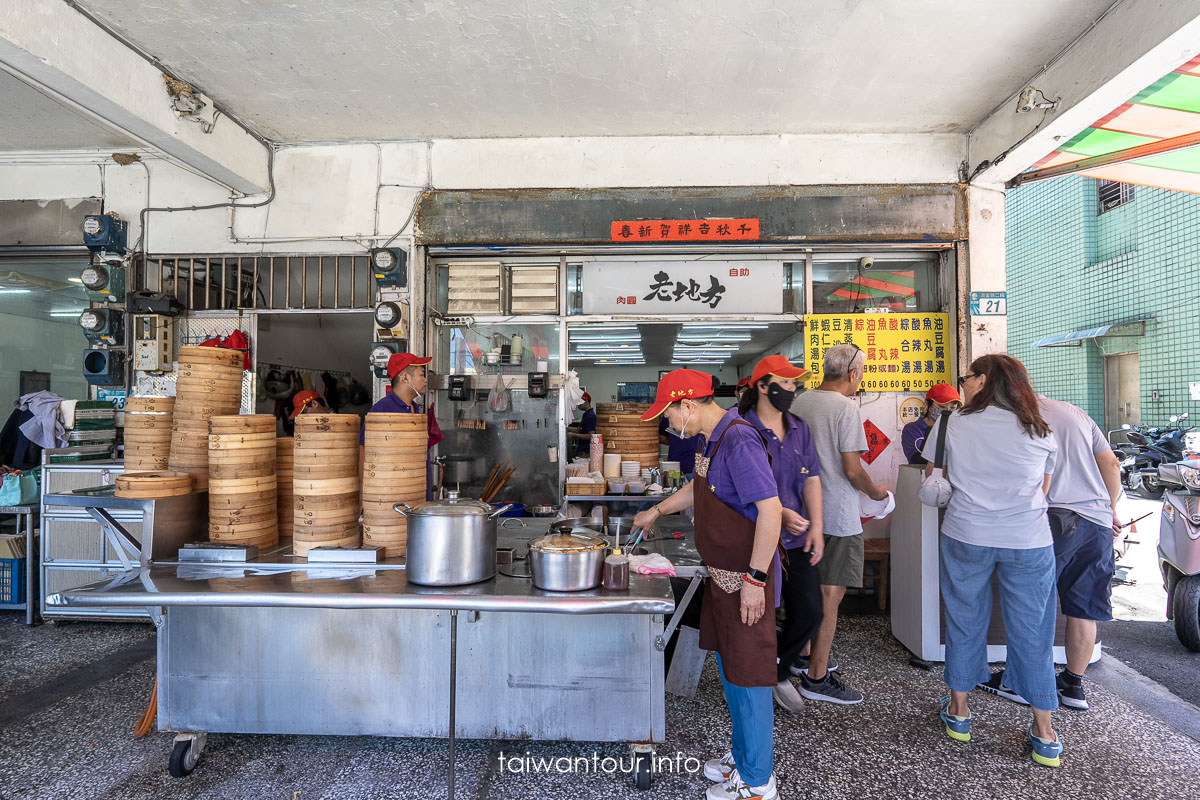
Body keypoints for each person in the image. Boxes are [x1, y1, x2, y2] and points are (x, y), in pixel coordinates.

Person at [632, 369, 783, 800]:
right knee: (732, 672)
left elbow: (769, 512)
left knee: (749, 677)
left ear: (689, 406)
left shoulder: (739, 439)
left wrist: (755, 580)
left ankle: (758, 784)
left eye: (668, 414)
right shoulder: (709, 440)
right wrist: (657, 511)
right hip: (723, 577)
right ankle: (744, 755)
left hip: (745, 579)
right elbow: (701, 491)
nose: (666, 424)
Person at [923, 354, 1063, 768]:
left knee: (966, 618)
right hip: (1029, 539)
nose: (963, 384)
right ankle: (1044, 731)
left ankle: (960, 712)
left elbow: (935, 475)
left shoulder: (952, 423)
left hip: (967, 533)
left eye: (967, 377)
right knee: (1033, 629)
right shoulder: (1040, 428)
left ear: (984, 380)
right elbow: (1044, 487)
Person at [980, 394, 1123, 712]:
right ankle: (1073, 685)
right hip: (1095, 523)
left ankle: (1019, 682)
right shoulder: (1076, 412)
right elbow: (1111, 464)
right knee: (1084, 609)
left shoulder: (1015, 416)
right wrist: (1109, 510)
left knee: (1030, 606)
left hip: (1050, 518)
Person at [791, 343, 888, 704]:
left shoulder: (801, 401)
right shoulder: (846, 408)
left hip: (802, 514)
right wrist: (876, 493)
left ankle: (802, 658)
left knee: (808, 591)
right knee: (831, 596)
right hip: (838, 516)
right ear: (853, 374)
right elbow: (851, 469)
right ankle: (817, 679)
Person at [738, 355, 825, 714]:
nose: (791, 389)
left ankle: (777, 667)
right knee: (756, 616)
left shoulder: (800, 427)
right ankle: (753, 681)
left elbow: (812, 478)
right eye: (785, 382)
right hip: (756, 539)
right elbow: (733, 489)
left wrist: (817, 525)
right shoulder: (742, 429)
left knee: (809, 612)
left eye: (794, 383)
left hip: (796, 539)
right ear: (762, 386)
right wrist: (779, 513)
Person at [901, 383, 961, 465]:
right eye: (942, 407)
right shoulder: (913, 429)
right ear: (927, 405)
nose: (947, 412)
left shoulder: (957, 429)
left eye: (952, 408)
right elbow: (916, 459)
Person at [659, 407, 704, 479]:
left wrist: (677, 442)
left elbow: (662, 438)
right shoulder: (701, 413)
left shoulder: (670, 411)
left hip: (675, 465)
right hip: (694, 466)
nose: (671, 425)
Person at [568, 392, 597, 457]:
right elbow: (579, 430)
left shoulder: (590, 416)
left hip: (586, 451)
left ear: (586, 401)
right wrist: (565, 428)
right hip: (581, 449)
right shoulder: (586, 414)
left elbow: (591, 436)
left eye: (579, 402)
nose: (578, 405)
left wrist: (573, 435)